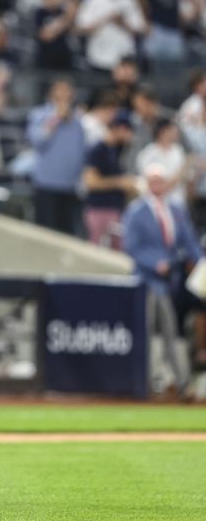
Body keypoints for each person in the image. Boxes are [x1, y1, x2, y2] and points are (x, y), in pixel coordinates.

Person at [123, 162, 202, 396]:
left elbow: (188, 240)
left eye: (161, 180)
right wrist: (155, 262)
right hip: (146, 280)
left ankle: (181, 383)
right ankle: (143, 383)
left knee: (171, 332)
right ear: (147, 183)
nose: (158, 185)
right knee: (147, 332)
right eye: (153, 181)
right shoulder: (136, 211)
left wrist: (201, 261)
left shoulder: (175, 210)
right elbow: (132, 247)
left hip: (170, 281)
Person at [26, 77, 87, 235]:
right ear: (51, 94)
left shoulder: (78, 121)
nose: (64, 96)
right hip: (46, 185)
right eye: (60, 91)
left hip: (70, 187)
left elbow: (81, 151)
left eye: (67, 92)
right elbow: (37, 140)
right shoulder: (39, 114)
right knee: (45, 234)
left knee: (67, 234)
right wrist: (55, 118)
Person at [82, 109, 138, 248]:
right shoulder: (98, 150)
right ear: (121, 128)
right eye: (128, 130)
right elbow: (90, 182)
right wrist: (119, 183)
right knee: (96, 250)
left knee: (117, 252)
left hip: (116, 208)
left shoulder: (118, 150)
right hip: (99, 209)